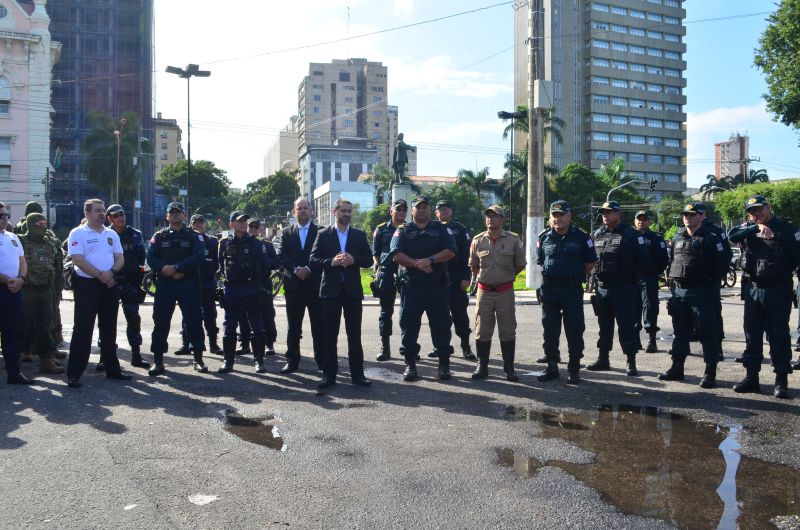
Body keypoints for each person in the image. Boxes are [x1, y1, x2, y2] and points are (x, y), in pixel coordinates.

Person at [728, 195, 800, 399]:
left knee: (778, 334)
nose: (756, 214)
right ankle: (752, 378)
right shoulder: (749, 228)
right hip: (753, 288)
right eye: (752, 211)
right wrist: (755, 228)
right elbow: (732, 236)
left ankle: (781, 381)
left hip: (778, 288)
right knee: (752, 333)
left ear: (769, 208)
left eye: (759, 209)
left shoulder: (787, 228)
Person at [659, 202, 728, 388]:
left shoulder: (711, 238)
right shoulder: (677, 237)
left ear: (701, 216)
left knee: (707, 333)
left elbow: (722, 264)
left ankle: (709, 373)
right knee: (680, 333)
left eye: (691, 214)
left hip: (703, 291)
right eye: (685, 214)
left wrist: (708, 281)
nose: (687, 217)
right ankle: (677, 368)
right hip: (680, 291)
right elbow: (672, 261)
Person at [389, 196, 456, 381]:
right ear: (412, 211)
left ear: (429, 210)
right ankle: (410, 364)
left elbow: (451, 251)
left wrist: (430, 260)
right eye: (418, 207)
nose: (422, 210)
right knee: (409, 326)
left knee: (441, 325)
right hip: (412, 287)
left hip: (437, 286)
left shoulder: (442, 228)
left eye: (425, 207)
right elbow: (396, 255)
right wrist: (417, 264)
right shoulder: (403, 230)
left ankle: (444, 365)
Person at [66, 198, 130, 388]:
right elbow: (77, 259)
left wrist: (110, 273)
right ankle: (75, 374)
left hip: (109, 285)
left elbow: (120, 258)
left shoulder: (111, 234)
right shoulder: (78, 233)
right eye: (97, 211)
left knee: (109, 329)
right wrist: (100, 275)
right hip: (87, 285)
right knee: (83, 330)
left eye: (103, 210)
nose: (102, 213)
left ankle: (113, 370)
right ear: (87, 214)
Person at [310, 199, 374, 388]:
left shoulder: (359, 235)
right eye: (343, 211)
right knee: (329, 335)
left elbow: (369, 260)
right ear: (334, 212)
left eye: (349, 211)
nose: (346, 214)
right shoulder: (323, 234)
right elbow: (313, 260)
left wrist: (354, 259)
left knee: (354, 335)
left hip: (352, 292)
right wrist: (332, 262)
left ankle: (358, 375)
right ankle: (329, 375)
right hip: (330, 292)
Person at [535, 201, 597, 384]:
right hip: (549, 290)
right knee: (550, 329)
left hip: (571, 290)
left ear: (569, 216)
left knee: (574, 329)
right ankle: (552, 366)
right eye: (555, 215)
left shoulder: (581, 237)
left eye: (561, 215)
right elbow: (541, 261)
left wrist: (574, 276)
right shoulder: (544, 237)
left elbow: (591, 263)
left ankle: (574, 368)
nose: (558, 218)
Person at [587, 201, 650, 376]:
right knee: (604, 326)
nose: (605, 215)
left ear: (618, 214)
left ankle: (631, 361)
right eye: (603, 213)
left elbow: (644, 261)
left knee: (626, 326)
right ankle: (603, 359)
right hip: (602, 288)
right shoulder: (598, 234)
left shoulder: (631, 234)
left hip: (624, 288)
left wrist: (630, 278)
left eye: (609, 212)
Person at [146, 202, 207, 376]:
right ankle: (158, 361)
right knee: (160, 322)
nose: (174, 215)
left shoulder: (194, 236)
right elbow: (151, 257)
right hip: (166, 284)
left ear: (184, 215)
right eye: (171, 213)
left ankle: (198, 358)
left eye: (178, 212)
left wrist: (178, 268)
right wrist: (166, 268)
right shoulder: (159, 236)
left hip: (188, 283)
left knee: (194, 320)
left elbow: (200, 256)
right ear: (167, 216)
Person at [470, 205, 526, 381]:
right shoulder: (478, 240)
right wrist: (484, 278)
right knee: (482, 330)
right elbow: (474, 265)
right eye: (488, 216)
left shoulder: (513, 240)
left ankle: (509, 368)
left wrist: (506, 276)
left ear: (502, 220)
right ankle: (482, 366)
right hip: (484, 292)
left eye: (494, 216)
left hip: (505, 292)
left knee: (508, 330)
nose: (490, 219)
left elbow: (520, 264)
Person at [217, 211, 270, 373]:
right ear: (231, 224)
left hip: (251, 288)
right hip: (232, 289)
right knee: (230, 326)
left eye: (245, 221)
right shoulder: (224, 243)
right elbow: (221, 266)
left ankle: (259, 361)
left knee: (257, 326)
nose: (243, 224)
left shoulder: (256, 243)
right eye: (239, 221)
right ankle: (228, 361)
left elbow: (265, 266)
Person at [276, 198, 323, 374]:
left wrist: (309, 269)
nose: (303, 211)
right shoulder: (286, 232)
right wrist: (296, 269)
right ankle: (292, 361)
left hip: (314, 286)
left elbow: (322, 254)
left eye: (305, 208)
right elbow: (281, 255)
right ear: (293, 211)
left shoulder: (320, 231)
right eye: (299, 208)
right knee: (293, 327)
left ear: (310, 210)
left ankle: (322, 361)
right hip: (294, 286)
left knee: (318, 326)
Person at [101, 204, 149, 370]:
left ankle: (136, 355)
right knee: (107, 321)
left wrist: (138, 279)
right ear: (110, 219)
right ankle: (104, 358)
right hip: (110, 283)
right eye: (116, 215)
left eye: (122, 214)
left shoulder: (135, 234)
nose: (120, 217)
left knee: (133, 320)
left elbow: (141, 258)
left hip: (130, 283)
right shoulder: (104, 234)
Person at [19, 212, 64, 375]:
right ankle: (16, 359)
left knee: (46, 326)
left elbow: (56, 265)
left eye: (45, 224)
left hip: (46, 289)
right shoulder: (20, 241)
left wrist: (57, 287)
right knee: (22, 325)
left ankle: (46, 360)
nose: (43, 227)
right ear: (30, 225)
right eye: (39, 225)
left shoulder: (49, 243)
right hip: (26, 289)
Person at [431, 199, 476, 360]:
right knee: (438, 315)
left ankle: (466, 347)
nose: (443, 211)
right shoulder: (431, 228)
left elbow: (467, 256)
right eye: (440, 209)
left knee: (460, 314)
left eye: (446, 208)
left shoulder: (460, 229)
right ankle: (440, 347)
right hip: (437, 278)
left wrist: (466, 277)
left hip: (456, 277)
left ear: (451, 211)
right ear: (435, 212)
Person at [175, 214, 220, 355]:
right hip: (190, 283)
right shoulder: (187, 240)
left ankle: (213, 344)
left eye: (201, 223)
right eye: (195, 224)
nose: (198, 226)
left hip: (207, 284)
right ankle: (185, 344)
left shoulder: (213, 241)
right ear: (190, 225)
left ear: (205, 224)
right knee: (188, 316)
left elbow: (217, 263)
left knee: (210, 316)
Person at [0, 202, 34, 384]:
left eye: (6, 215)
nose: (5, 218)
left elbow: (23, 261)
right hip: (4, 286)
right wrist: (7, 280)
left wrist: (21, 279)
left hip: (14, 289)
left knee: (11, 332)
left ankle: (14, 373)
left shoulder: (13, 237)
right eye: (1, 216)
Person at [372, 198, 407, 361]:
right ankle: (385, 347)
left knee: (408, 312)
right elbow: (376, 253)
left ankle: (408, 346)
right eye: (398, 209)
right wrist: (379, 269)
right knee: (386, 312)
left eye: (403, 210)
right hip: (387, 273)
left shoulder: (409, 229)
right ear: (391, 211)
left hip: (405, 272)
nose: (401, 212)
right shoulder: (381, 230)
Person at [237, 218, 279, 356]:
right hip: (245, 284)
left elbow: (276, 263)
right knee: (243, 315)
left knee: (267, 314)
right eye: (251, 226)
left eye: (256, 227)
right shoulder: (241, 243)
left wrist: (264, 262)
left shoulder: (266, 245)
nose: (254, 229)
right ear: (247, 227)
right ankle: (244, 343)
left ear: (261, 229)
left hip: (263, 283)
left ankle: (269, 344)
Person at [634, 210, 669, 353]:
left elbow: (663, 259)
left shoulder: (656, 238)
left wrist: (655, 272)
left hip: (649, 277)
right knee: (633, 309)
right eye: (639, 219)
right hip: (631, 278)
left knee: (649, 307)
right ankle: (635, 340)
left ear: (649, 222)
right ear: (634, 221)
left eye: (644, 219)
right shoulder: (629, 236)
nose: (641, 222)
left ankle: (651, 340)